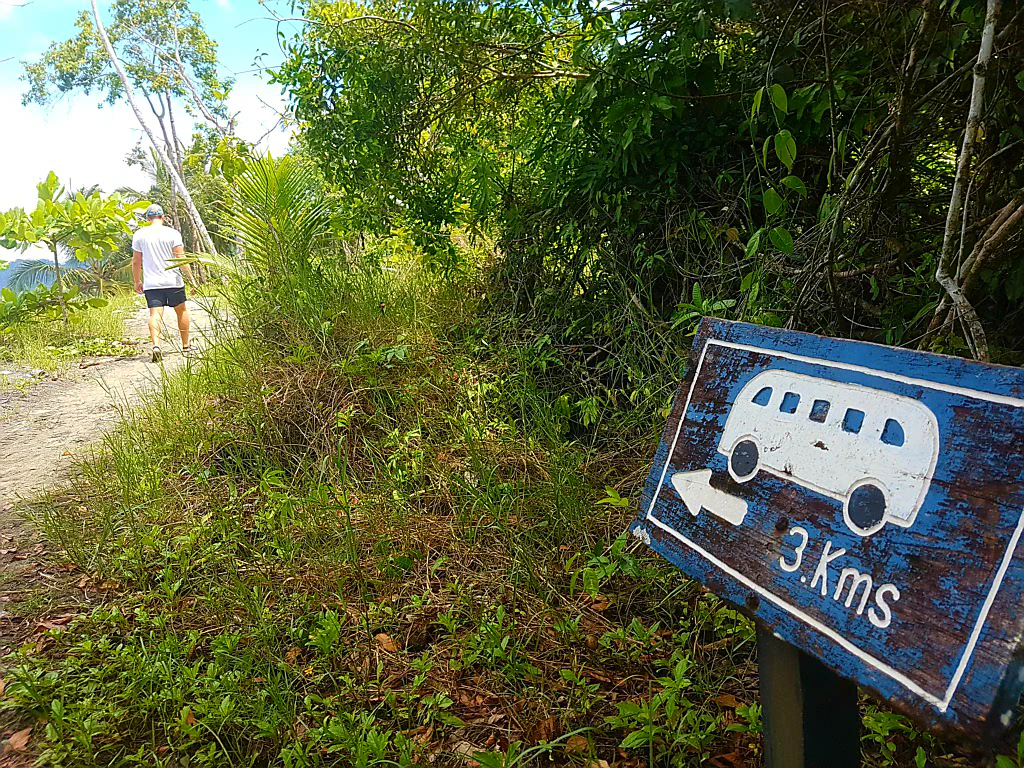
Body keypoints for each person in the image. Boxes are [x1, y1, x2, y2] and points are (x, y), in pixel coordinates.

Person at [132, 204, 194, 363]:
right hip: (173, 281)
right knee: (181, 311)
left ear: (147, 218)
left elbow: (136, 262)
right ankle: (186, 346)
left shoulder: (139, 235)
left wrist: (137, 281)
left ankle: (156, 345)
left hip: (152, 283)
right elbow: (181, 259)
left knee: (155, 314)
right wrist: (192, 280)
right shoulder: (173, 233)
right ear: (163, 217)